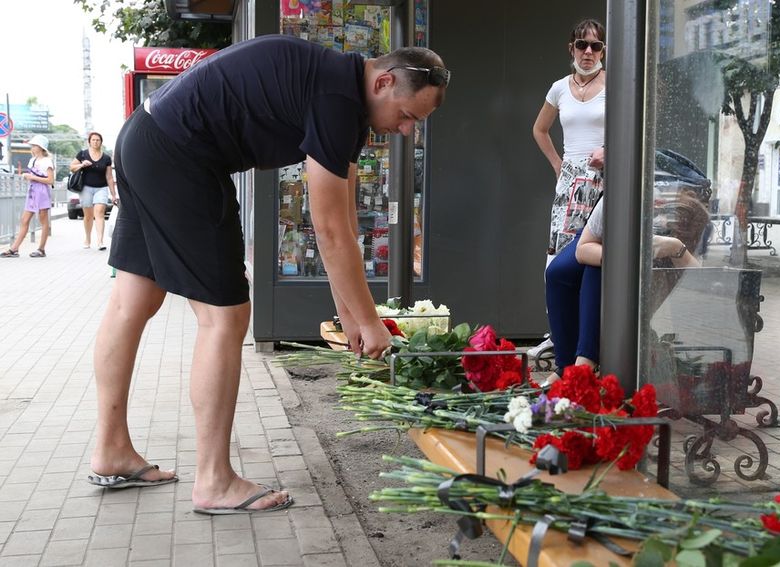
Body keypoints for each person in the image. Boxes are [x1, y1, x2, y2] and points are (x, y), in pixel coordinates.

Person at [88, 35, 449, 515]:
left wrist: (352, 314)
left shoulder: (341, 88)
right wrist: (372, 323)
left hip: (143, 137)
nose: (406, 130)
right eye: (409, 116)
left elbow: (339, 206)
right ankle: (214, 480)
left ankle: (111, 450)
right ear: (384, 81)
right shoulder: (337, 97)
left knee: (133, 300)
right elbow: (329, 229)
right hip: (181, 156)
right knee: (227, 315)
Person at [543, 190, 707, 383]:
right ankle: (567, 366)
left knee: (598, 269)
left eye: (665, 224)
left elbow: (701, 279)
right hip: (603, 241)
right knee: (560, 272)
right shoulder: (618, 198)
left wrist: (676, 247)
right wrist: (627, 255)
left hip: (640, 256)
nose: (661, 222)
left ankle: (585, 362)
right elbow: (584, 250)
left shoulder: (693, 219)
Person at [530, 18, 607, 358]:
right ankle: (561, 337)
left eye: (595, 46)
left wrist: (610, 152)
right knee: (556, 263)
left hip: (603, 180)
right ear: (571, 48)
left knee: (590, 259)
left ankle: (588, 348)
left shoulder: (614, 84)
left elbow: (631, 129)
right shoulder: (559, 87)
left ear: (603, 50)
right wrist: (559, 164)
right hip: (569, 182)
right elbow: (540, 129)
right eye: (582, 45)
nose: (588, 52)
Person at [2, 135, 54, 259]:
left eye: (35, 145)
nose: (33, 147)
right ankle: (14, 248)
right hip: (32, 191)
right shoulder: (32, 160)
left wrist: (32, 177)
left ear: (41, 147)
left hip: (42, 192)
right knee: (24, 220)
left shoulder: (47, 161)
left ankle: (41, 249)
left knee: (43, 220)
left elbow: (50, 180)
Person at [70, 131, 119, 250]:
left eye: (98, 140)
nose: (95, 142)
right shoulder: (82, 154)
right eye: (93, 140)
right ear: (89, 142)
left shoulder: (106, 158)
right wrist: (82, 165)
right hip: (86, 188)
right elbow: (72, 168)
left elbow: (109, 177)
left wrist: (113, 195)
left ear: (101, 142)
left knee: (100, 212)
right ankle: (87, 238)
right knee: (88, 215)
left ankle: (100, 241)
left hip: (101, 188)